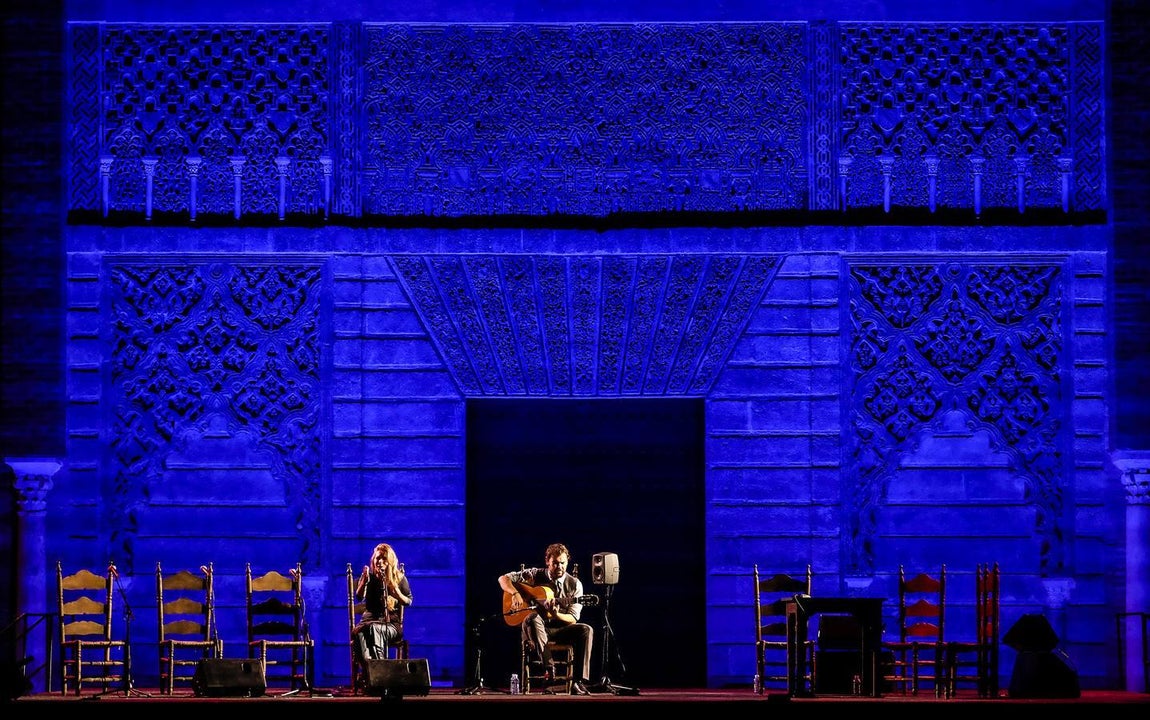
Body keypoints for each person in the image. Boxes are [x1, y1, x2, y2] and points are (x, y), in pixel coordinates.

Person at [498, 542, 593, 695]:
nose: (559, 566)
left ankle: (578, 682)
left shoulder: (575, 585)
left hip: (560, 628)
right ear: (547, 561)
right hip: (535, 629)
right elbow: (503, 579)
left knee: (586, 629)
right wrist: (515, 593)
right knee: (532, 618)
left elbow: (573, 617)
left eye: (563, 563)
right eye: (555, 563)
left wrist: (556, 614)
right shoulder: (534, 574)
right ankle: (549, 670)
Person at [353, 542, 413, 668]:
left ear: (390, 561)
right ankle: (370, 669)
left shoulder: (399, 578)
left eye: (383, 558)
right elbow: (359, 597)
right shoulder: (369, 577)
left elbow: (408, 601)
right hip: (368, 623)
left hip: (390, 625)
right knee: (359, 633)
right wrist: (363, 582)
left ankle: (380, 669)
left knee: (373, 629)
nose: (379, 561)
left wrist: (397, 594)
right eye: (377, 558)